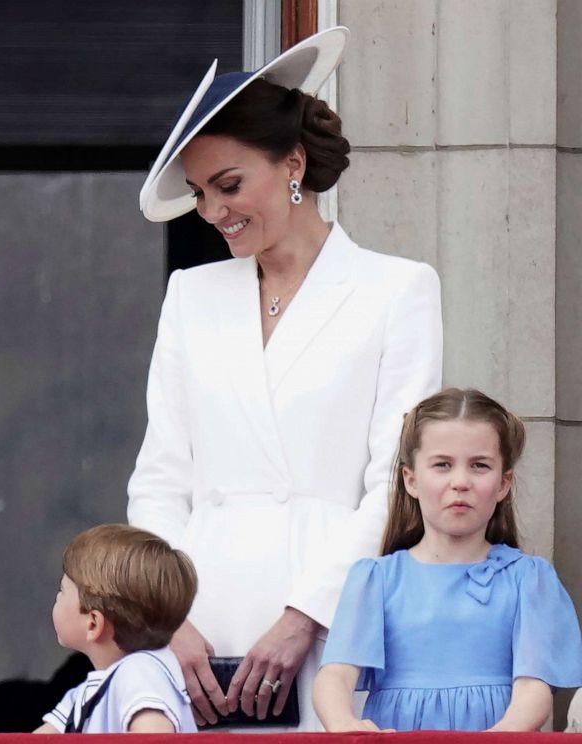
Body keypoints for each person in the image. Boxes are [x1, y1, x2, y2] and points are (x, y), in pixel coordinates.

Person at [128, 27, 443, 731]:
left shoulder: (397, 289)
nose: (212, 212)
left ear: (293, 162)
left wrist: (308, 614)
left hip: (338, 616)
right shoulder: (191, 294)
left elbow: (395, 478)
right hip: (198, 626)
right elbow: (159, 480)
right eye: (200, 192)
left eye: (229, 185)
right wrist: (168, 618)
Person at [313, 388, 582, 732]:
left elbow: (534, 689)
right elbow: (334, 675)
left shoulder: (529, 579)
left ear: (503, 483)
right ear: (410, 479)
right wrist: (345, 725)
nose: (460, 482)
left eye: (479, 466)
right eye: (442, 465)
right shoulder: (376, 579)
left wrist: (493, 740)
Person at [34, 524, 199, 734]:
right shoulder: (84, 694)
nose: (57, 597)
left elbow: (154, 734)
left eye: (62, 590)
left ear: (93, 623)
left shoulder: (140, 673)